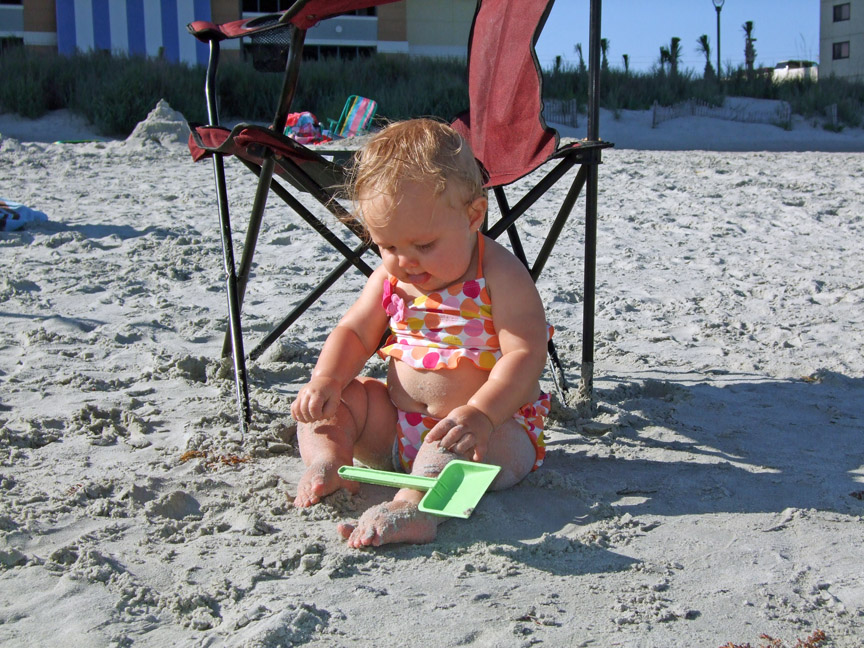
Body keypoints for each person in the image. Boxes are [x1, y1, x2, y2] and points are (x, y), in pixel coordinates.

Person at [290, 119, 551, 548]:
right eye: (388, 246)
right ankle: (329, 462)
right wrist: (327, 379)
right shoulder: (391, 277)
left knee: (460, 456)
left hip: (487, 433)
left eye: (424, 246)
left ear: (473, 216)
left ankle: (418, 508)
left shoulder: (500, 274)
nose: (405, 262)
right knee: (339, 403)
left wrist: (483, 413)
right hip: (397, 428)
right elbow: (354, 332)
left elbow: (525, 354)